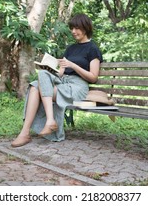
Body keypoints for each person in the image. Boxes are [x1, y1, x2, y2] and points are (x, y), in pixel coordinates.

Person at [11, 14, 103, 147]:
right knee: (37, 83)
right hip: (63, 83)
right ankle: (25, 132)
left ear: (85, 28)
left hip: (77, 88)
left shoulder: (92, 49)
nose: (73, 31)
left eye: (76, 28)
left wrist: (73, 65)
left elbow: (93, 77)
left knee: (36, 87)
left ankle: (48, 122)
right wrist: (50, 70)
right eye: (72, 28)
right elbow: (61, 73)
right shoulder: (70, 49)